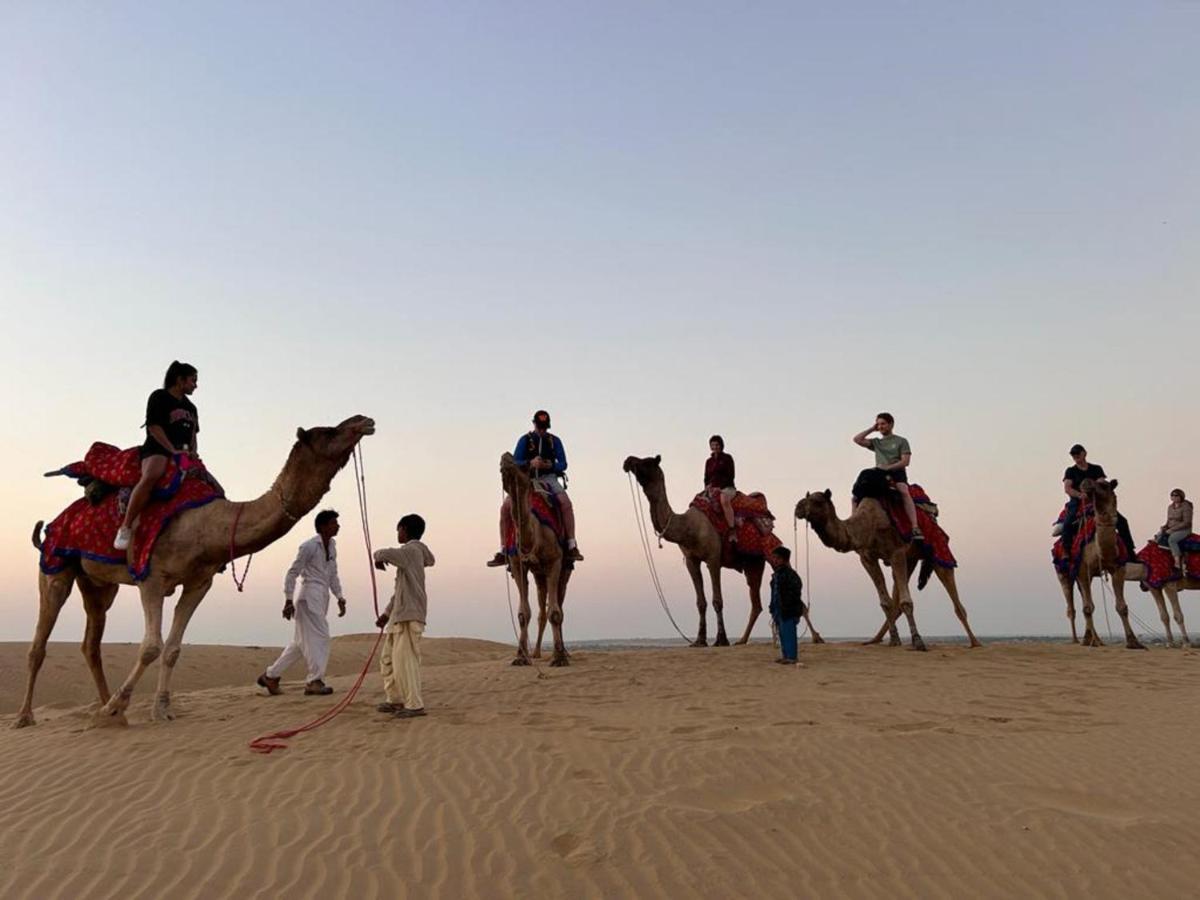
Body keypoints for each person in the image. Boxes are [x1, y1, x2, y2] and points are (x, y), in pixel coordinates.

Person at [256, 510, 347, 696]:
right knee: (321, 637)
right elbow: (292, 573)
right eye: (333, 523)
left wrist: (339, 596)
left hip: (321, 597)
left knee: (299, 644)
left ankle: (271, 675)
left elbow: (332, 574)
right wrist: (288, 599)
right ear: (322, 526)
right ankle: (315, 681)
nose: (337, 526)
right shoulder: (308, 546)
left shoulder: (332, 546)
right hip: (308, 597)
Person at [114, 361, 199, 550]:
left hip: (183, 453)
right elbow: (154, 427)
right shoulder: (159, 397)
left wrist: (193, 453)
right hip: (158, 448)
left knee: (206, 485)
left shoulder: (191, 408)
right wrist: (172, 450)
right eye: (193, 380)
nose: (196, 385)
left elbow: (193, 435)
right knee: (153, 474)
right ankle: (126, 527)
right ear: (180, 380)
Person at [487, 409, 583, 566]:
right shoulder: (525, 440)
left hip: (549, 478)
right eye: (540, 427)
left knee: (566, 504)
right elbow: (515, 461)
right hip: (527, 479)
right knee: (505, 508)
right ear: (534, 424)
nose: (542, 430)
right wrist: (529, 463)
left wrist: (549, 465)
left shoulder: (555, 441)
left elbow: (563, 463)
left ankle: (571, 544)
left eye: (544, 427)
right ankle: (504, 550)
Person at [375, 514, 436, 719]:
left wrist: (378, 557)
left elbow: (384, 553)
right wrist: (385, 614)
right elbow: (399, 591)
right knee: (388, 660)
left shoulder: (411, 551)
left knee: (405, 662)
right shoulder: (410, 557)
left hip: (409, 615)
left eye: (398, 529)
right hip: (399, 614)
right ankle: (395, 699)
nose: (397, 534)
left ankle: (414, 704)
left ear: (404, 529)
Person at [853, 412, 922, 540]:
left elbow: (905, 462)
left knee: (903, 491)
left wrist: (888, 467)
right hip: (879, 473)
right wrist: (872, 429)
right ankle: (854, 525)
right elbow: (857, 439)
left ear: (891, 424)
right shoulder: (877, 443)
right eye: (878, 424)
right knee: (856, 496)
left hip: (896, 471)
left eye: (883, 424)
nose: (880, 427)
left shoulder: (901, 441)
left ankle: (915, 527)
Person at [1057, 444, 1137, 556]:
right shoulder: (1071, 471)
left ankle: (1130, 550)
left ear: (1084, 453)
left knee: (1122, 521)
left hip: (1096, 500)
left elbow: (1101, 482)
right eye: (1073, 455)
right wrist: (1080, 495)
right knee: (1068, 522)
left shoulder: (1096, 469)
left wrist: (1098, 487)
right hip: (1078, 501)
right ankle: (1066, 550)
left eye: (1077, 454)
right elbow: (1068, 488)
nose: (1076, 457)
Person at [768, 547, 804, 664]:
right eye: (774, 558)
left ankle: (792, 657)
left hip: (788, 610)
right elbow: (774, 592)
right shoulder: (777, 576)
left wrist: (789, 604)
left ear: (784, 559)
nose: (775, 560)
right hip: (779, 610)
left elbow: (795, 591)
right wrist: (773, 607)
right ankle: (786, 655)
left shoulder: (790, 575)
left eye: (777, 558)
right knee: (782, 634)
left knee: (789, 633)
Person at [704, 435, 737, 541]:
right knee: (698, 502)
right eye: (712, 445)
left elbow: (731, 476)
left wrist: (719, 487)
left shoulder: (727, 458)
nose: (715, 447)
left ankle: (732, 530)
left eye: (717, 445)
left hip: (727, 488)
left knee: (723, 500)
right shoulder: (708, 462)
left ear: (721, 445)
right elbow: (706, 478)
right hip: (712, 489)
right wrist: (707, 487)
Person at [1156, 488, 1193, 571]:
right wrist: (1164, 527)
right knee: (1157, 538)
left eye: (1176, 495)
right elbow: (1169, 520)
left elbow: (1186, 522)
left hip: (1183, 529)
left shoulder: (1186, 507)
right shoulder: (1170, 507)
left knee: (1172, 540)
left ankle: (1177, 563)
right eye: (1172, 495)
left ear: (1181, 496)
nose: (1173, 497)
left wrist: (1173, 529)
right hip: (1171, 528)